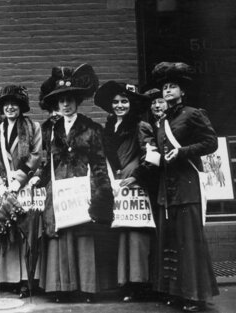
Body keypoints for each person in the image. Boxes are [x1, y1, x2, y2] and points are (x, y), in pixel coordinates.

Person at [34, 64, 114, 302]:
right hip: (59, 192)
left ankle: (86, 288)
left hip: (83, 191)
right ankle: (62, 288)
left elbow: (99, 164)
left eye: (70, 100)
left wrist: (101, 194)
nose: (65, 105)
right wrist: (38, 178)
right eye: (61, 101)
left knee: (82, 236)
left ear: (76, 101)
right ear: (56, 104)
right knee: (61, 237)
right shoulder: (50, 130)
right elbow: (46, 161)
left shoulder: (91, 129)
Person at [151, 62, 219, 312]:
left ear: (183, 91)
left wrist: (182, 152)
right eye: (165, 86)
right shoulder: (161, 121)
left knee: (189, 242)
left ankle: (195, 295)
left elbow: (210, 143)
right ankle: (176, 292)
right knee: (171, 241)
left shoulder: (193, 114)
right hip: (166, 189)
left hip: (187, 185)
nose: (167, 90)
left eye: (173, 86)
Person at [94, 81, 157, 302]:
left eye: (124, 101)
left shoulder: (140, 126)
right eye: (115, 102)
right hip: (117, 185)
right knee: (121, 234)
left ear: (131, 104)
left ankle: (139, 284)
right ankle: (125, 282)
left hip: (135, 186)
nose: (119, 105)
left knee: (136, 235)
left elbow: (152, 156)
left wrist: (136, 176)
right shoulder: (108, 128)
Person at [0, 85, 42, 298]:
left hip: (25, 185)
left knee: (24, 230)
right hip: (4, 187)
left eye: (15, 104)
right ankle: (10, 278)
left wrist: (18, 180)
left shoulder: (32, 127)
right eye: (7, 104)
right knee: (7, 231)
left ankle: (26, 280)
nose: (10, 108)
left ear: (21, 107)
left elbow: (36, 155)